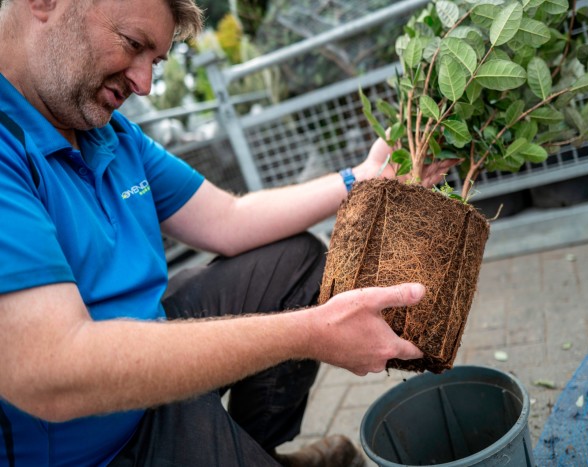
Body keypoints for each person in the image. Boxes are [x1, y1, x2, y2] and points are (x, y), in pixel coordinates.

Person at [0, 0, 458, 465]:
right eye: (133, 44)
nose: (144, 84)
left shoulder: (110, 135)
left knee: (293, 259)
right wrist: (310, 332)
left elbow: (229, 218)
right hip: (87, 445)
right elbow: (55, 371)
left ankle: (259, 452)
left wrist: (361, 178)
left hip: (146, 350)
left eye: (155, 61)